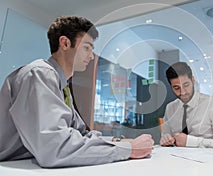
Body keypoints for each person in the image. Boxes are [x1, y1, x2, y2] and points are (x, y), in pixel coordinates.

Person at [0, 16, 154, 167]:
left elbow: (81, 134)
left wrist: (121, 142)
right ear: (65, 43)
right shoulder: (40, 74)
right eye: (87, 47)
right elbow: (55, 148)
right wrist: (128, 150)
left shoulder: (62, 87)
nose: (92, 57)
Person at [160, 62, 213, 147]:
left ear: (193, 80)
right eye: (176, 88)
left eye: (186, 85)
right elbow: (165, 137)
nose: (182, 92)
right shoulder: (170, 108)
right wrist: (166, 140)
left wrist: (190, 142)